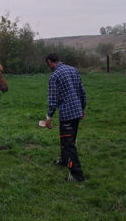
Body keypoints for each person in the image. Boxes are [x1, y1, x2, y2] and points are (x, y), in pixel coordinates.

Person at [45, 53, 86, 182]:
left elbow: (53, 100)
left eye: (48, 64)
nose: (49, 67)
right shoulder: (74, 70)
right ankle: (64, 160)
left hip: (67, 115)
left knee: (68, 144)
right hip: (77, 112)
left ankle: (77, 175)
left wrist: (48, 117)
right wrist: (82, 108)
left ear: (50, 62)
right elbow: (82, 91)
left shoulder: (54, 76)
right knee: (68, 139)